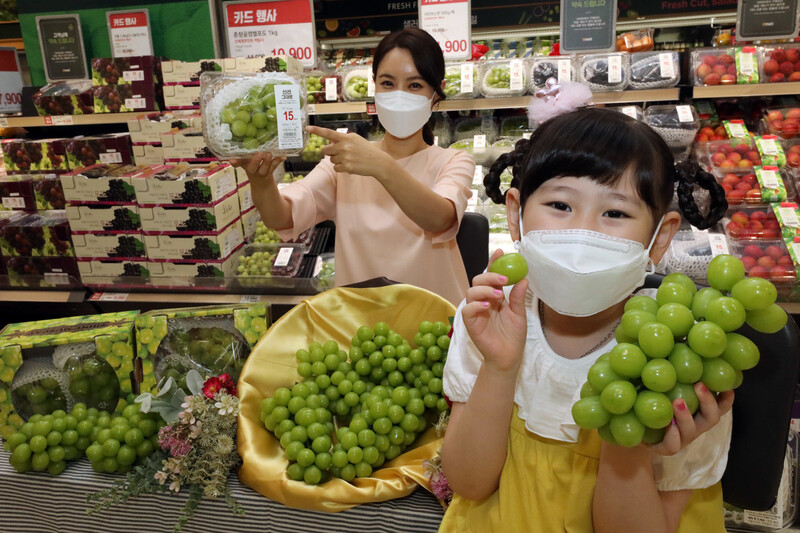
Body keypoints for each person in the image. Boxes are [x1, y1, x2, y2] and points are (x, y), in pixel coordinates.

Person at [439, 106, 731, 532]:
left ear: (660, 237)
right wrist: (500, 368)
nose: (583, 233)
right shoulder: (490, 316)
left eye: (615, 213)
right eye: (560, 204)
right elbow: (468, 483)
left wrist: (627, 433)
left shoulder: (679, 350)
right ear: (516, 214)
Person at [232, 28, 474, 305]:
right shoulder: (344, 162)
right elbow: (282, 217)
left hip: (436, 322)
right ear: (374, 86)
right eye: (387, 83)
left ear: (436, 95)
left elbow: (440, 218)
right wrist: (260, 179)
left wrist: (380, 165)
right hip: (361, 324)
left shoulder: (454, 161)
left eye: (415, 85)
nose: (399, 95)